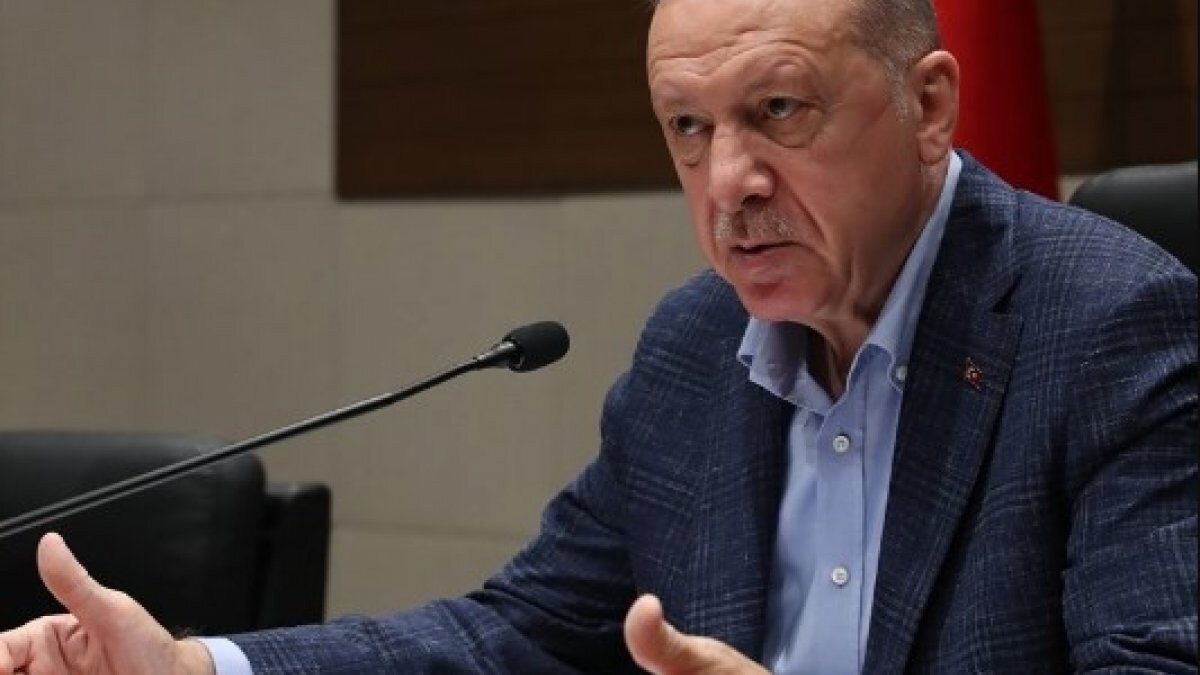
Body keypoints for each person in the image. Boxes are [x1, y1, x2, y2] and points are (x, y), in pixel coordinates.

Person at [2, 0, 1196, 671]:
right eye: (688, 128)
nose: (728, 181)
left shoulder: (1108, 326)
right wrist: (198, 668)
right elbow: (518, 635)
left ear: (928, 106)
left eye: (778, 109)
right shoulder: (695, 347)